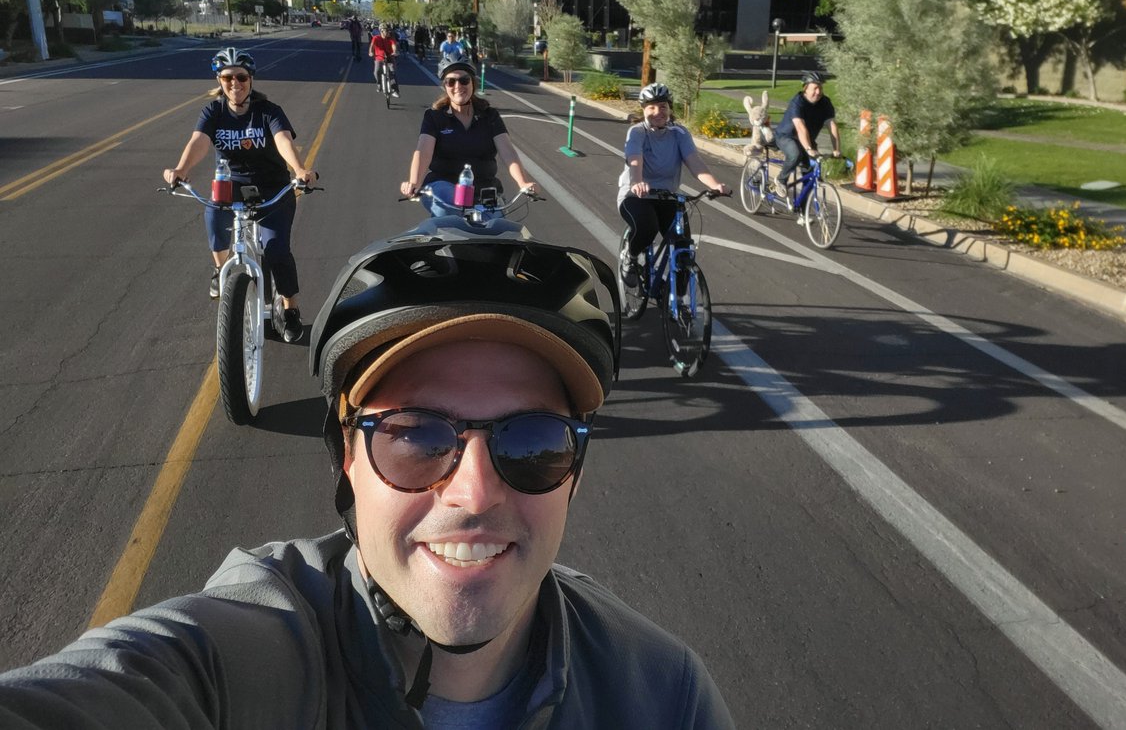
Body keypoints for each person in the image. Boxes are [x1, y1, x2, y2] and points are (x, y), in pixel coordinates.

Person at [0, 225, 735, 729]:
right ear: (344, 457)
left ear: (574, 472)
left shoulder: (663, 694)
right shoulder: (244, 666)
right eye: (415, 435)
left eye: (534, 442)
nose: (475, 493)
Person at [161, 47, 316, 342]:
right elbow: (199, 141)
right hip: (230, 185)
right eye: (228, 77)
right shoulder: (213, 111)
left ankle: (290, 309)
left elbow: (282, 139)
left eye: (241, 77)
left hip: (273, 187)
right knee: (214, 218)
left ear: (251, 79)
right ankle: (220, 269)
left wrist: (299, 169)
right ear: (219, 80)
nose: (235, 83)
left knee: (276, 249)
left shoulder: (268, 111)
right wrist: (181, 169)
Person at [617, 82, 731, 288]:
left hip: (667, 197)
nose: (658, 112)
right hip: (636, 196)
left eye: (662, 106)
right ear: (643, 109)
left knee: (683, 249)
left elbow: (694, 162)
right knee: (647, 227)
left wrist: (715, 185)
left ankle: (678, 303)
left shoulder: (679, 133)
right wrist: (637, 181)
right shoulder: (637, 132)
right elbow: (635, 159)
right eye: (651, 107)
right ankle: (631, 257)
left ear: (670, 108)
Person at [400, 57, 538, 216]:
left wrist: (523, 182)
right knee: (447, 214)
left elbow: (508, 152)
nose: (458, 86)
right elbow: (423, 152)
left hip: (483, 189)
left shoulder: (489, 116)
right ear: (445, 86)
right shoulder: (434, 117)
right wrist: (414, 183)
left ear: (473, 83)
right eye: (451, 82)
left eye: (464, 80)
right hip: (442, 186)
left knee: (497, 228)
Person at [773, 72, 841, 202]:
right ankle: (781, 179)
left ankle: (802, 212)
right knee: (796, 154)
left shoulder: (825, 103)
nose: (818, 91)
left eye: (820, 88)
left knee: (812, 174)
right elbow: (800, 127)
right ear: (806, 88)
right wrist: (809, 149)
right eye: (814, 88)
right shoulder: (798, 102)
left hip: (807, 141)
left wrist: (837, 149)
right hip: (786, 136)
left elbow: (832, 125)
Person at [369, 22, 399, 97]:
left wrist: (394, 52)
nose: (388, 32)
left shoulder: (391, 39)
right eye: (386, 30)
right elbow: (372, 46)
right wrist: (371, 52)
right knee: (376, 72)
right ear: (381, 31)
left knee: (392, 72)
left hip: (389, 57)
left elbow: (393, 46)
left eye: (388, 30)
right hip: (379, 58)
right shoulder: (376, 38)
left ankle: (395, 90)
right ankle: (379, 84)